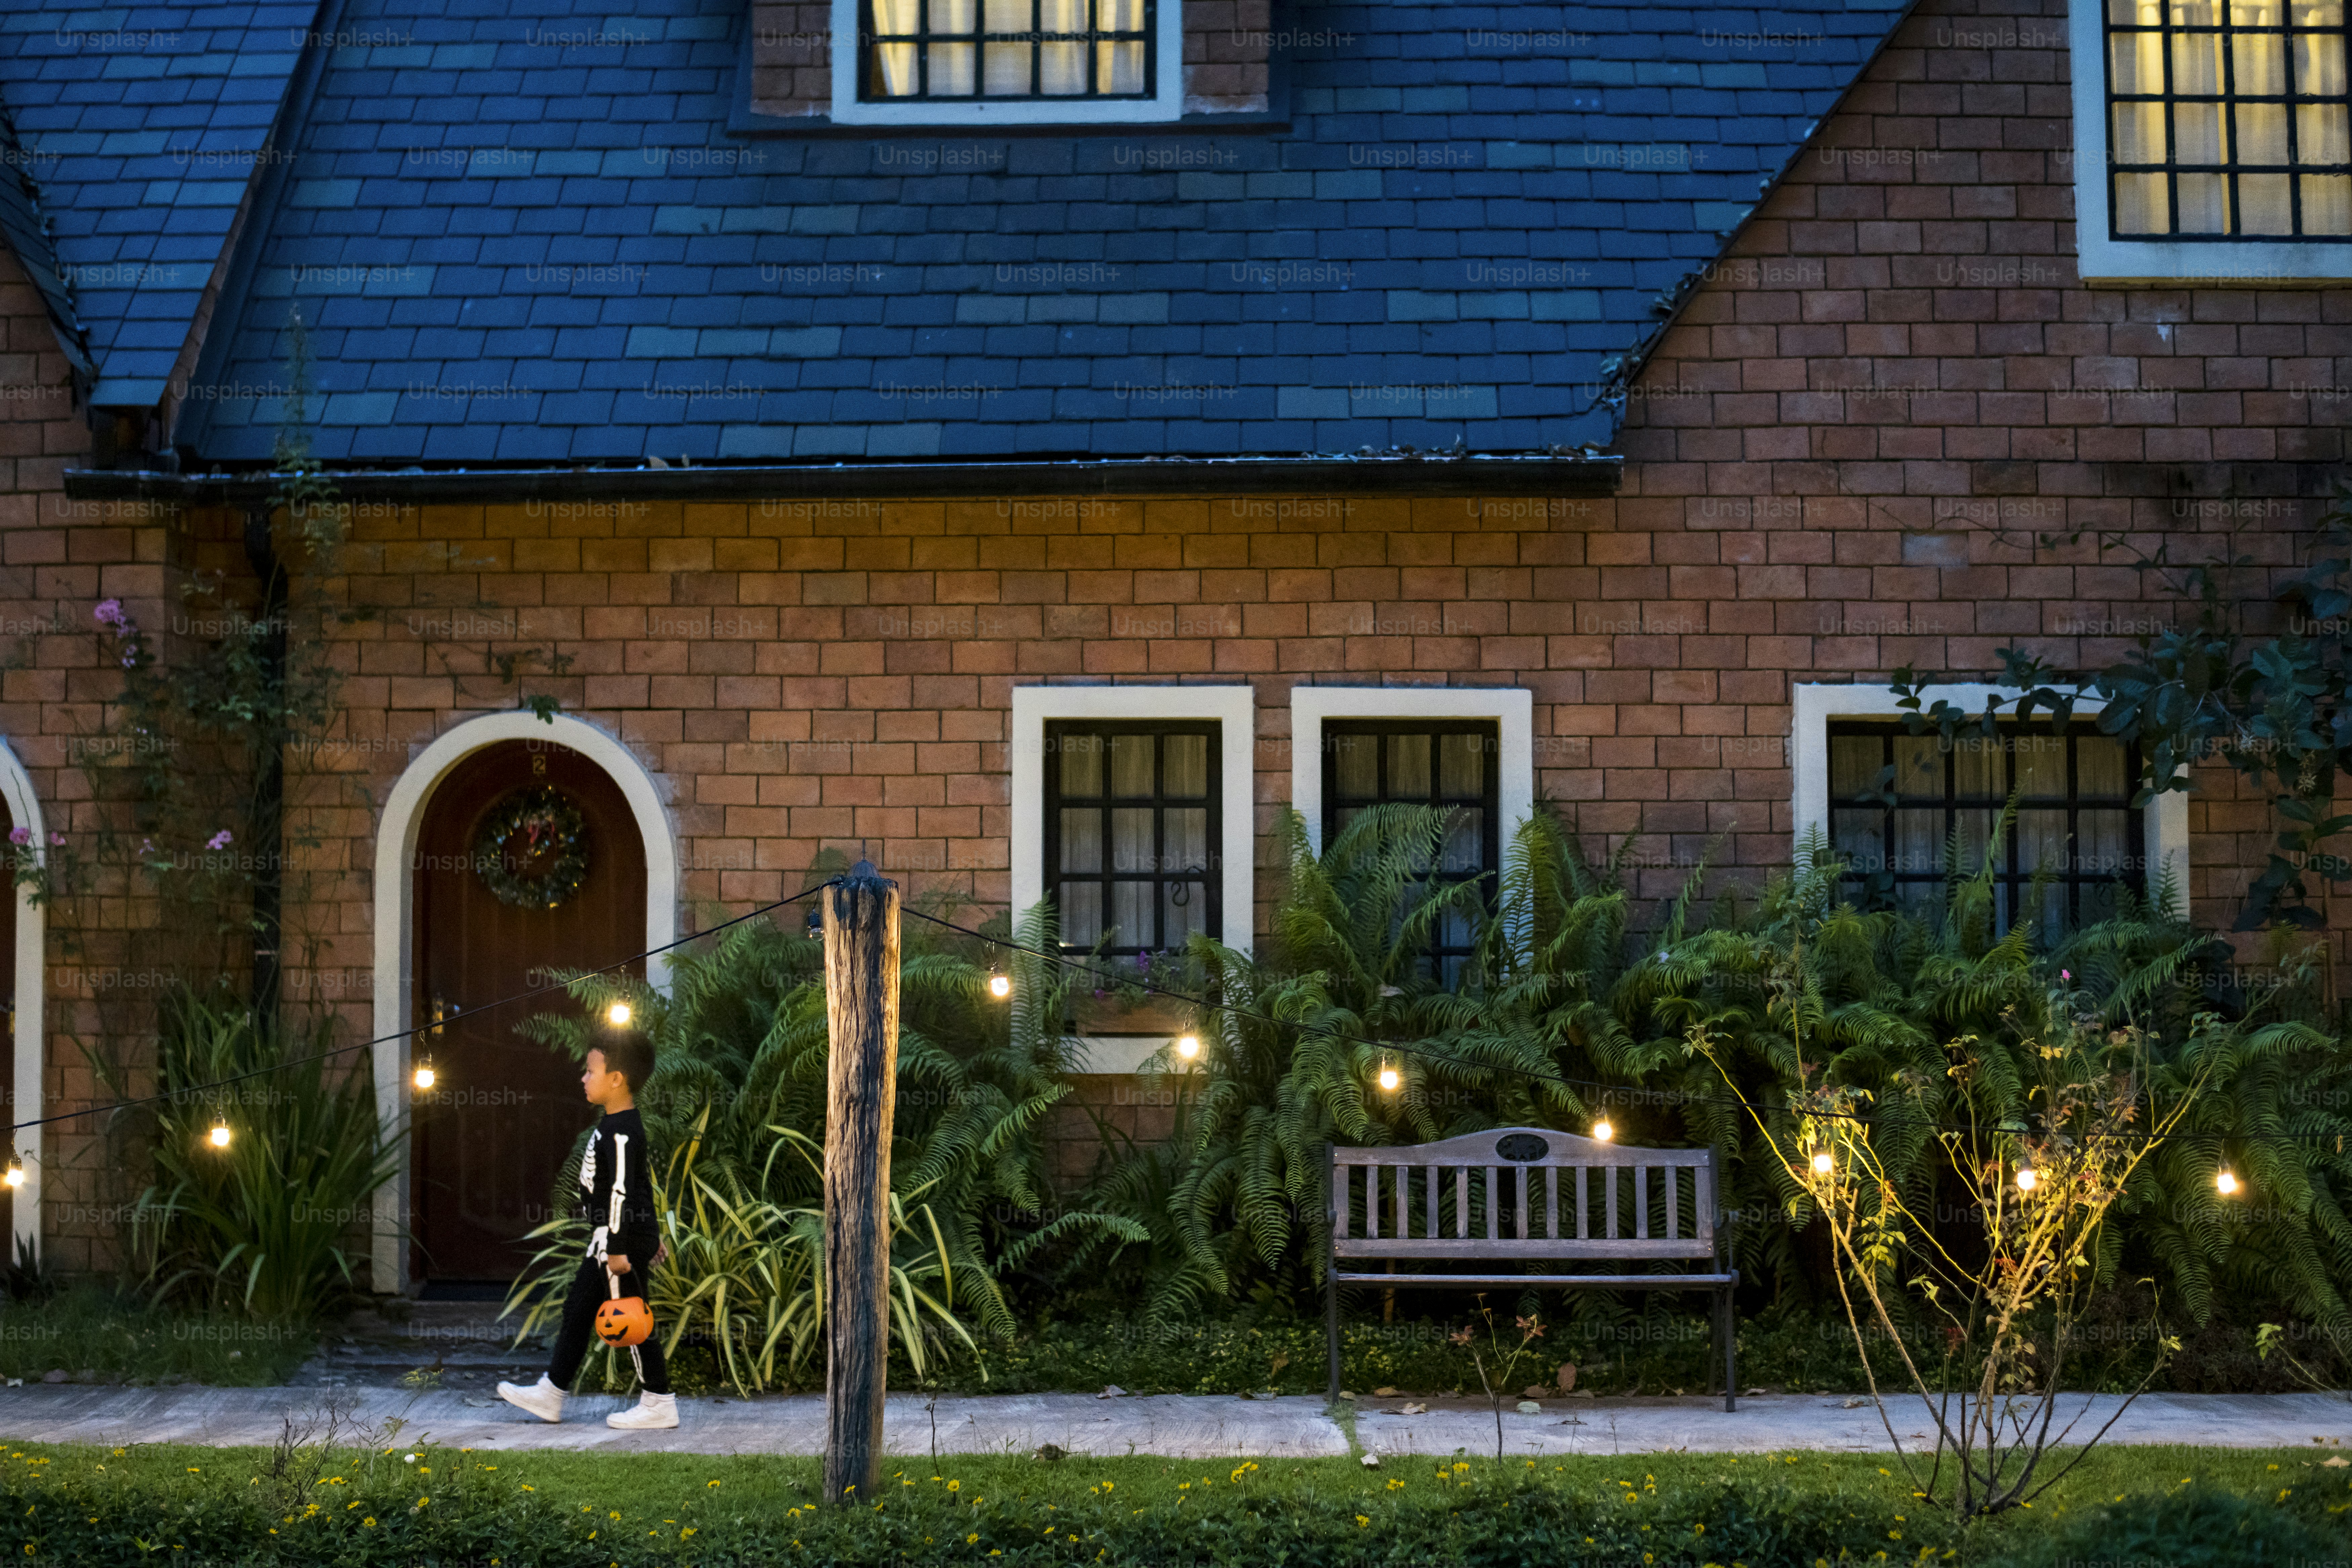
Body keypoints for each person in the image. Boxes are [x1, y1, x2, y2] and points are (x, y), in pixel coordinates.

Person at [496, 1031, 676, 1430]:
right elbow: (639, 1185)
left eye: (591, 1070)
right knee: (578, 1311)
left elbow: (622, 1190)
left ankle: (659, 1399)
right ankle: (552, 1391)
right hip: (613, 1237)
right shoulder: (614, 1123)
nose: (583, 1077)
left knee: (629, 1317)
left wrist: (619, 1246)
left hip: (617, 1244)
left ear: (617, 1078)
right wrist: (653, 1230)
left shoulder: (623, 1129)